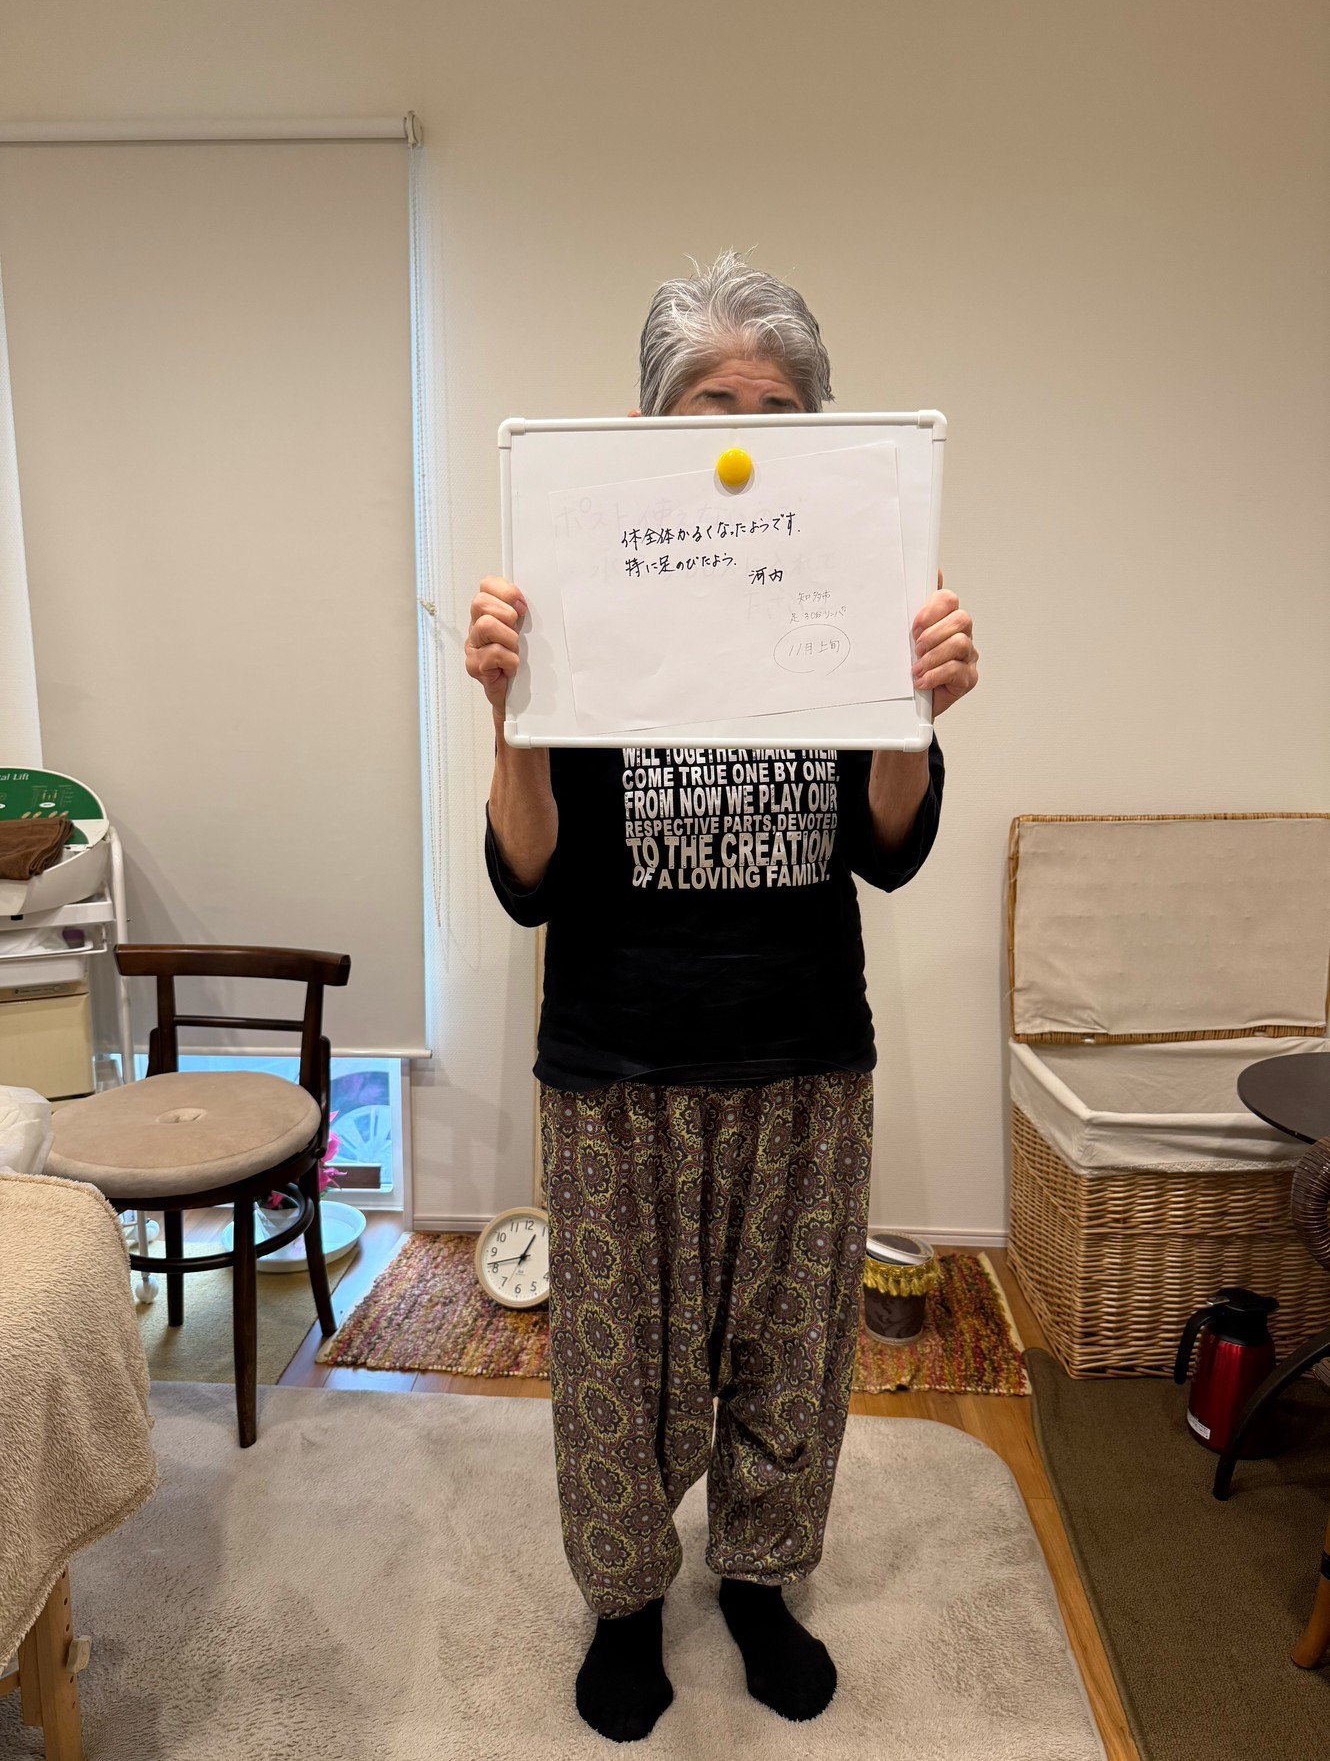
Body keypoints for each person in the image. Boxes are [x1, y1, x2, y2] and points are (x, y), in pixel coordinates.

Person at [465, 251, 978, 1743]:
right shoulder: (579, 593)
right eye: (712, 404)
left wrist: (910, 708)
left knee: (790, 1354)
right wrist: (509, 711)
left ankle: (758, 1579)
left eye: (774, 409)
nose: (744, 432)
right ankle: (626, 1602)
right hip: (614, 1054)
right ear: (652, 428)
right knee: (615, 1370)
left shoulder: (854, 587)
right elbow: (526, 879)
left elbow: (888, 848)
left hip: (801, 1044)